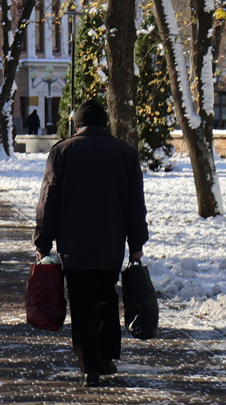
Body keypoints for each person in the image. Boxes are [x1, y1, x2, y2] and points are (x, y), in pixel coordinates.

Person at [33, 98, 148, 386]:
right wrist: (136, 242)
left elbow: (49, 200)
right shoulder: (125, 153)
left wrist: (43, 240)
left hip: (74, 243)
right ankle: (107, 357)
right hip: (111, 241)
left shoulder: (62, 151)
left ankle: (90, 367)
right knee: (107, 297)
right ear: (104, 124)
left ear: (78, 124)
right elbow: (135, 203)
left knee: (82, 302)